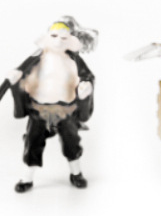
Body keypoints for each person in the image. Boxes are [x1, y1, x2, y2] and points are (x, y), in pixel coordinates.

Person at [7, 17, 96, 192]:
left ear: (71, 40)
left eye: (63, 38)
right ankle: (27, 178)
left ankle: (76, 173)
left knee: (71, 141)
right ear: (47, 37)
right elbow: (21, 75)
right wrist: (15, 80)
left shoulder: (74, 60)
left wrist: (85, 89)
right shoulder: (37, 58)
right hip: (39, 109)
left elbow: (87, 77)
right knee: (33, 141)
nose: (58, 42)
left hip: (66, 110)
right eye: (54, 36)